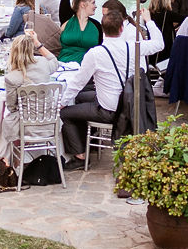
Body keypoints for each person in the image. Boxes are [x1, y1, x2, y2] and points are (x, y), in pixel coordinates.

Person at [59, 10, 145, 165]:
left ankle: (79, 156)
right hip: (128, 105)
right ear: (121, 29)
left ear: (103, 30)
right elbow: (160, 44)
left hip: (109, 111)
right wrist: (149, 21)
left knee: (65, 113)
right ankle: (88, 138)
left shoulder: (95, 53)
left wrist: (62, 102)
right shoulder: (133, 47)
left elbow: (77, 82)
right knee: (79, 98)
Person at [2, 32, 59, 144]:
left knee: (6, 119)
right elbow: (54, 61)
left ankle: (14, 157)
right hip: (49, 122)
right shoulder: (44, 64)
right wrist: (37, 42)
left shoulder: (12, 78)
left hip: (27, 126)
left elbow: (11, 106)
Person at [58, 0, 101, 64]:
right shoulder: (67, 20)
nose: (95, 6)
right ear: (83, 5)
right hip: (64, 64)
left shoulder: (97, 25)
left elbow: (101, 48)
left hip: (87, 66)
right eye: (93, 3)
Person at [148, 0, 185, 65]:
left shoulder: (150, 12)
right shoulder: (168, 14)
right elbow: (186, 18)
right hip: (165, 52)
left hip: (153, 52)